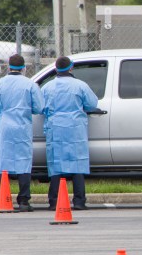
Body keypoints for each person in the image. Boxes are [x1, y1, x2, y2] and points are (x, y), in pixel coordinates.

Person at [0, 54, 44, 212]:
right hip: (22, 127)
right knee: (23, 162)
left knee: (2, 161)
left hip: (4, 127)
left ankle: (1, 199)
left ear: (8, 67)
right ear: (24, 68)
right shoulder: (30, 85)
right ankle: (24, 200)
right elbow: (39, 107)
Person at [41, 56, 99, 211]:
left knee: (56, 164)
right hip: (75, 129)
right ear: (71, 68)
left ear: (56, 69)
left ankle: (54, 201)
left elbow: (41, 107)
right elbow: (92, 104)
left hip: (55, 129)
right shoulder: (80, 86)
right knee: (77, 164)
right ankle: (79, 201)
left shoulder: (48, 87)